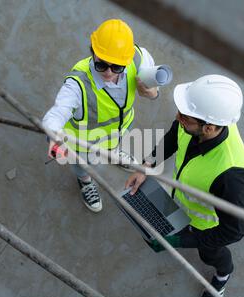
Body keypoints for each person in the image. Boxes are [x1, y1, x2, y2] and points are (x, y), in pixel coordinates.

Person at [125, 75, 244, 297]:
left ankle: (224, 274)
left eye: (184, 116)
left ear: (210, 127)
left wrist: (181, 241)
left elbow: (233, 230)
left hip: (205, 225)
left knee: (210, 255)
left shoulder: (231, 175)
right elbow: (173, 136)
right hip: (180, 203)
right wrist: (146, 165)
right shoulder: (193, 123)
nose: (178, 117)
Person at [43, 19, 159, 213]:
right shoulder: (78, 84)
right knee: (83, 165)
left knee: (113, 144)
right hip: (83, 144)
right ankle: (85, 182)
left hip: (120, 130)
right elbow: (57, 112)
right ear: (93, 52)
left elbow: (156, 85)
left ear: (127, 59)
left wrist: (152, 92)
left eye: (117, 67)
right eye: (101, 65)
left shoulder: (138, 57)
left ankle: (112, 153)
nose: (108, 72)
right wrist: (53, 134)